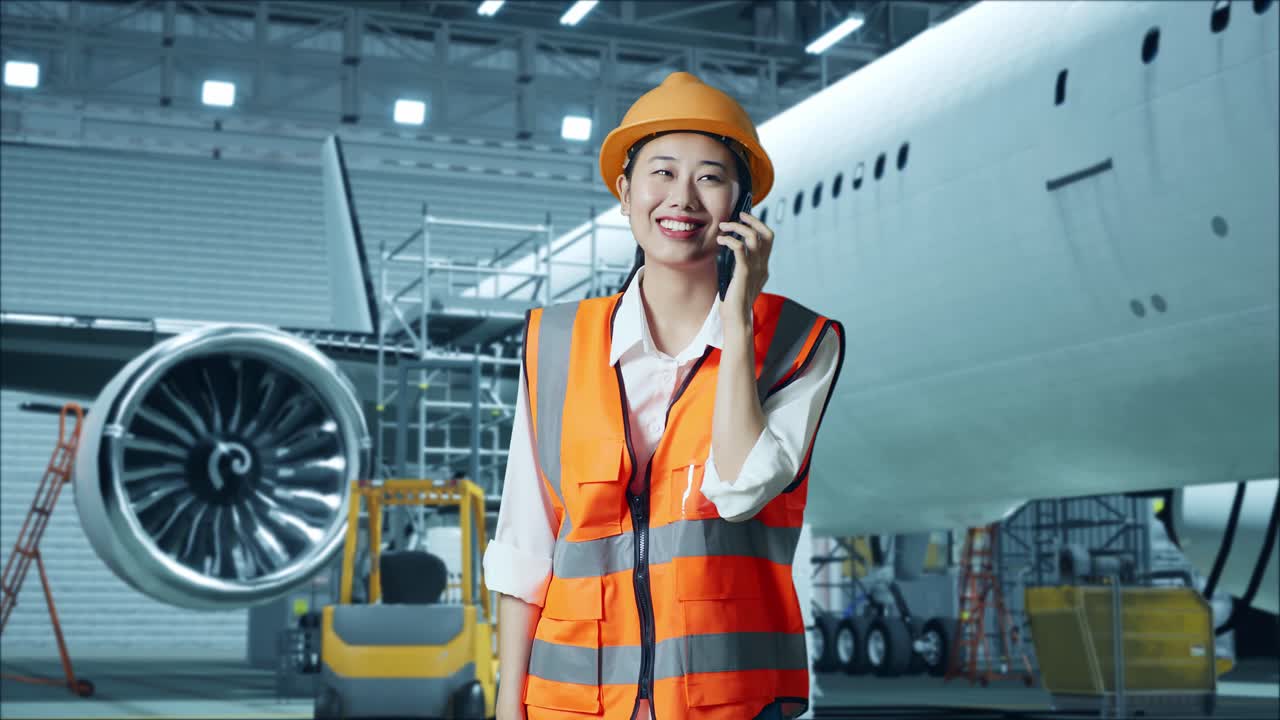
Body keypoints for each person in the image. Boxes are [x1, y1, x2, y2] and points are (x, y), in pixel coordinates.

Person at [482, 71, 846, 720]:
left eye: (710, 177)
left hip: (724, 706)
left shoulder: (798, 344)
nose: (682, 197)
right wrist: (508, 707)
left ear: (741, 205)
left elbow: (738, 488)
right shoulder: (556, 343)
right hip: (570, 705)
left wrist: (737, 321)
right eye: (662, 172)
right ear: (624, 193)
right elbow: (524, 546)